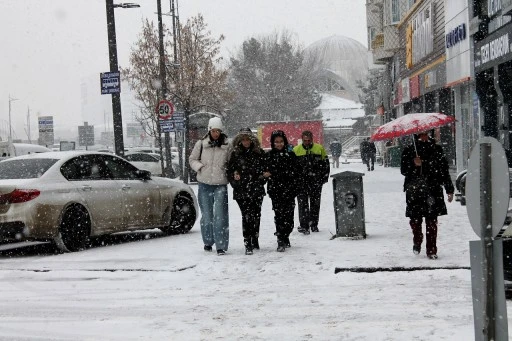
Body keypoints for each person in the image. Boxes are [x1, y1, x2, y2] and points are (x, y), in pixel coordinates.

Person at [400, 131, 454, 260]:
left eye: (426, 134)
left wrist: (449, 189)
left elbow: (443, 170)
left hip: (432, 189)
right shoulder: (409, 150)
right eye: (421, 135)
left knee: (432, 221)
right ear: (416, 136)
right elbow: (403, 170)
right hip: (415, 190)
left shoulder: (436, 149)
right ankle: (417, 239)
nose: (424, 137)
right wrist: (414, 164)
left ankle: (431, 250)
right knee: (415, 220)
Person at [189, 117, 231, 255]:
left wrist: (227, 170)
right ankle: (208, 241)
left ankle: (221, 245)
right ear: (209, 130)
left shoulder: (227, 145)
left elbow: (231, 162)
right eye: (213, 130)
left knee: (220, 216)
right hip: (204, 184)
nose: (216, 133)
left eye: (218, 130)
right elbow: (192, 159)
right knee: (207, 216)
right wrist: (200, 167)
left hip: (220, 184)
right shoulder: (201, 144)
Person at [227, 128, 267, 255]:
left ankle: (255, 238)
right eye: (243, 139)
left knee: (256, 214)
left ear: (252, 139)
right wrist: (235, 181)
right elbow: (230, 171)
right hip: (241, 190)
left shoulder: (259, 153)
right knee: (246, 215)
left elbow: (264, 170)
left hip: (256, 189)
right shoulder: (235, 154)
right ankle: (247, 241)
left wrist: (260, 180)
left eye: (247, 139)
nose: (245, 142)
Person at [265, 130, 300, 252]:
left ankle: (286, 234)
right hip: (276, 190)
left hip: (289, 190)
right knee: (279, 215)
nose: (279, 144)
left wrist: (276, 173)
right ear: (273, 143)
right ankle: (280, 238)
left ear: (284, 142)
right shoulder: (269, 156)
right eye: (276, 142)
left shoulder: (291, 155)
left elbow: (294, 172)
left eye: (281, 142)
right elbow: (266, 172)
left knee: (289, 217)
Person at [293, 130, 330, 234]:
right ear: (302, 139)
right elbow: (292, 168)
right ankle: (304, 226)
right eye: (305, 140)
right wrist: (295, 180)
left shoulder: (319, 148)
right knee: (302, 204)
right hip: (301, 183)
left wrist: (324, 178)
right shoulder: (296, 150)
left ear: (312, 139)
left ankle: (314, 225)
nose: (307, 142)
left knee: (315, 204)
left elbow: (326, 164)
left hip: (316, 182)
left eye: (309, 140)